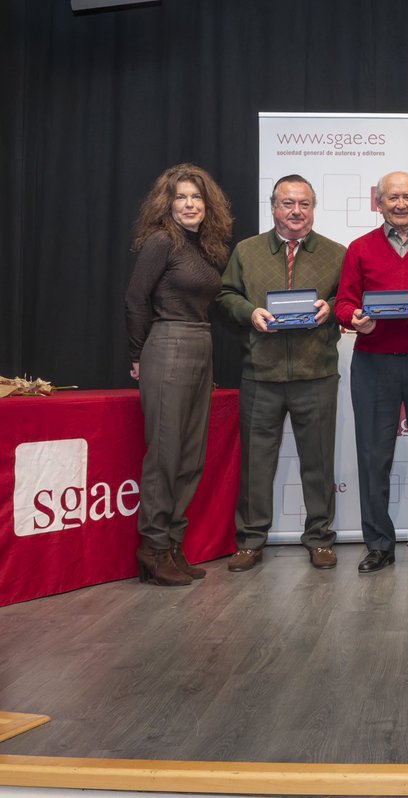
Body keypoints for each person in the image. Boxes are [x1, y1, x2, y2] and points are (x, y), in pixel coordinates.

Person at [216, 174, 345, 572]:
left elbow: (348, 298)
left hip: (316, 374)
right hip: (261, 375)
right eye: (288, 203)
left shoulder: (336, 253)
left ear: (313, 208)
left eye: (304, 204)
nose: (296, 211)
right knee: (256, 464)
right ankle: (250, 541)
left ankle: (320, 539)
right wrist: (249, 312)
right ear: (273, 208)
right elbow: (225, 295)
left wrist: (332, 308)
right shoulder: (247, 250)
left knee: (318, 463)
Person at [123, 163, 233, 586]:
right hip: (167, 343)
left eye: (196, 197)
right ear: (167, 204)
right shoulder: (161, 241)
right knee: (165, 455)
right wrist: (138, 355)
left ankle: (172, 544)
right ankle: (152, 549)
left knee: (190, 457)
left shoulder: (205, 247)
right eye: (181, 197)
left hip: (201, 344)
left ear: (208, 204)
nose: (189, 204)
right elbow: (135, 300)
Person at [334, 171, 408, 574]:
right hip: (373, 361)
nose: (400, 204)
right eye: (392, 198)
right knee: (373, 455)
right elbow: (343, 302)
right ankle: (378, 544)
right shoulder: (360, 248)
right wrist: (354, 319)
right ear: (378, 203)